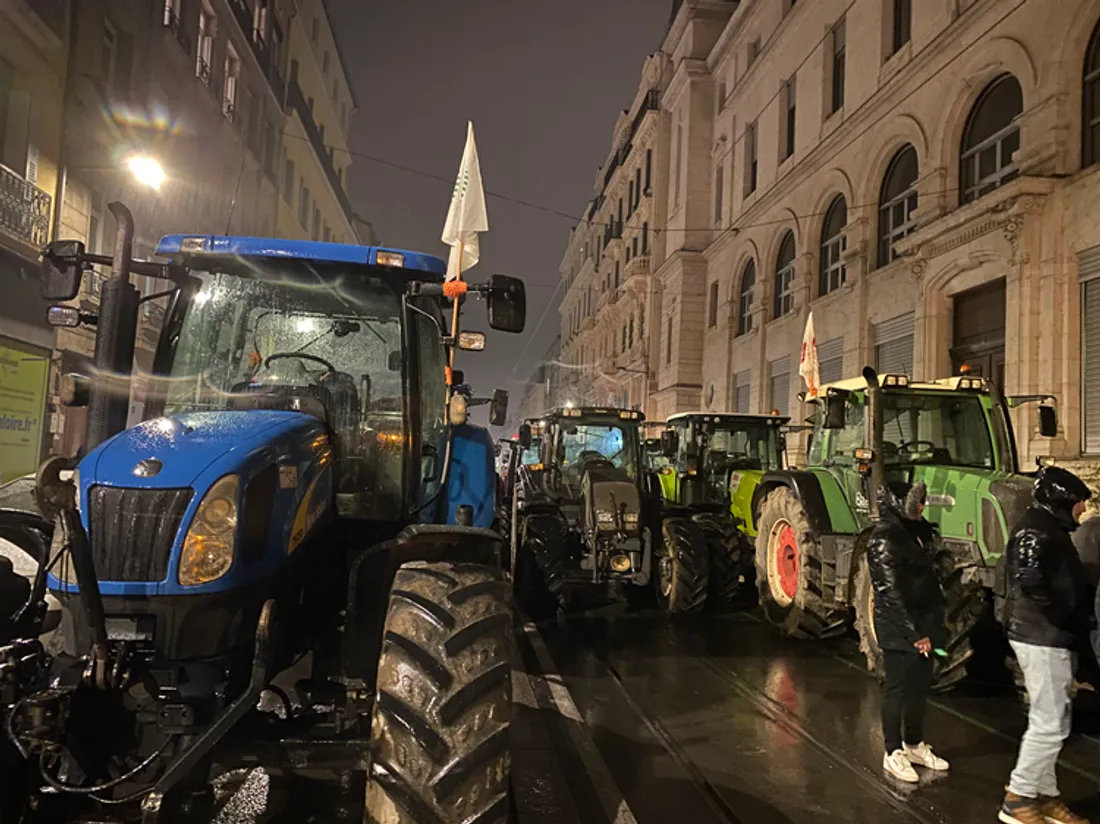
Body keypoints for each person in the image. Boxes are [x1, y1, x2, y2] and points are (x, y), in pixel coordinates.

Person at [1001, 466, 1093, 824]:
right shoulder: (1035, 531)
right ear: (1061, 501)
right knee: (1050, 724)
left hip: (1048, 635)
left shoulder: (1044, 527)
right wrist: (1061, 616)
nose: (1082, 511)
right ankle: (1019, 798)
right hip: (1041, 637)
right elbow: (1030, 580)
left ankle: (1045, 796)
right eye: (1079, 504)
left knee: (1052, 718)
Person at [866, 481, 950, 783]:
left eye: (922, 503)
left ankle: (914, 744)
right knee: (897, 690)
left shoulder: (918, 533)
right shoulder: (883, 540)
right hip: (899, 628)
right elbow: (890, 592)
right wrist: (915, 633)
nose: (922, 508)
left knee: (919, 688)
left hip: (925, 622)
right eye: (916, 503)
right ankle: (892, 752)